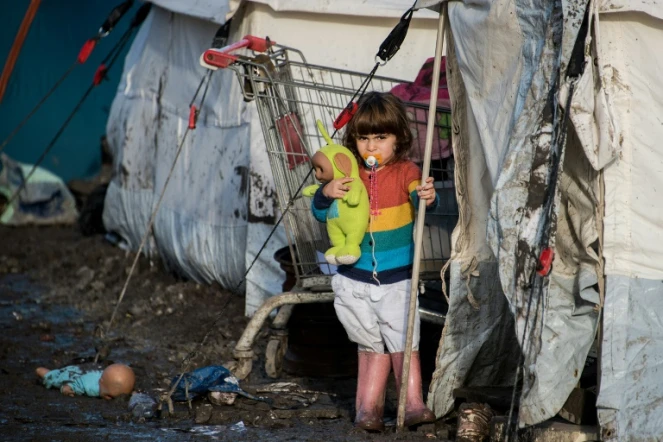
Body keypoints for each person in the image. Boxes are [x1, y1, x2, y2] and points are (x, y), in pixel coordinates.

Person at [310, 91, 438, 431]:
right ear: (354, 141)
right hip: (354, 276)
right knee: (368, 343)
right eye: (363, 138)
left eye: (380, 138)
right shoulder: (348, 172)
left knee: (403, 340)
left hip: (397, 278)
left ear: (398, 138)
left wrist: (426, 194)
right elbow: (319, 213)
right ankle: (368, 409)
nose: (371, 146)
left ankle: (412, 403)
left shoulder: (406, 170)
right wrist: (326, 194)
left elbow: (420, 196)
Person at [35, 363, 135, 400]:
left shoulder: (103, 378)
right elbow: (78, 383)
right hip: (71, 375)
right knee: (54, 377)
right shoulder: (91, 387)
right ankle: (41, 370)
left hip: (84, 370)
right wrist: (68, 388)